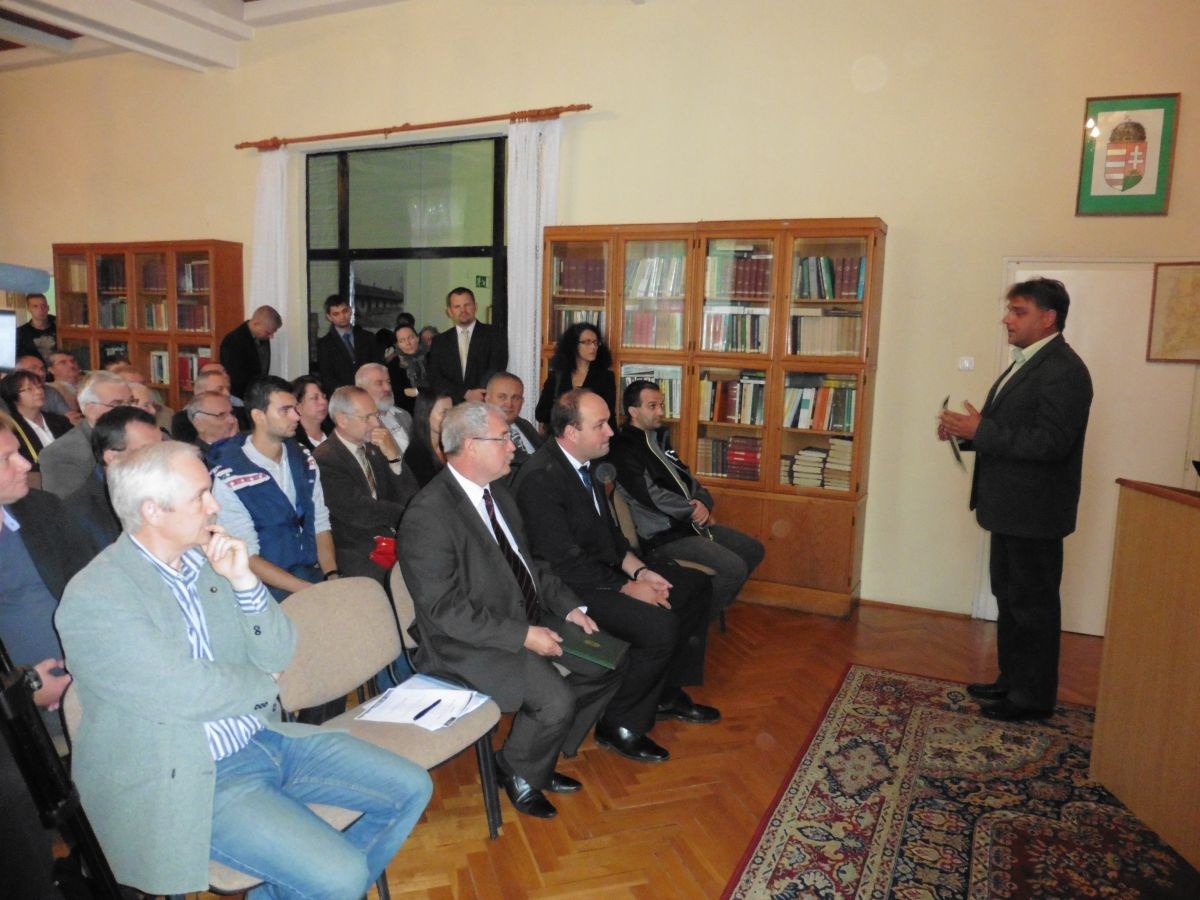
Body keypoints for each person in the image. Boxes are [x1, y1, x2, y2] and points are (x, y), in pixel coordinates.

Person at [55, 441, 432, 896]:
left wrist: (245, 582)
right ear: (153, 511)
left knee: (412, 787)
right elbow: (180, 691)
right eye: (200, 496)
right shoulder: (97, 596)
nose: (215, 506)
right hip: (192, 775)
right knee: (343, 876)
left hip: (263, 737)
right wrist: (261, 685)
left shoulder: (207, 562)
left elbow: (278, 653)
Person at [400, 402, 624, 819]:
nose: (513, 447)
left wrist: (569, 607)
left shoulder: (499, 493)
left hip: (521, 614)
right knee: (554, 700)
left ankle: (535, 754)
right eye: (503, 439)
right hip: (463, 644)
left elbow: (530, 563)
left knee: (607, 663)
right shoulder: (428, 515)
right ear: (471, 445)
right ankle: (519, 769)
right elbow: (444, 610)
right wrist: (522, 636)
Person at [515, 389, 720, 764]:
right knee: (658, 625)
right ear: (571, 432)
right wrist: (628, 587)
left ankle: (665, 692)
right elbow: (562, 563)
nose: (611, 431)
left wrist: (642, 571)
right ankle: (620, 723)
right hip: (567, 590)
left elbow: (610, 536)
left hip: (600, 573)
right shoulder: (540, 479)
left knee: (694, 586)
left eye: (608, 422)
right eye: (600, 425)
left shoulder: (587, 464)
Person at [938, 277, 1093, 722]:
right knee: (1010, 599)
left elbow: (1051, 443)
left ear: (1048, 318)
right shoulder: (1027, 362)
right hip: (1009, 509)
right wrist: (967, 434)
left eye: (1018, 311)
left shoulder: (1064, 370)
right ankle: (1012, 681)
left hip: (1035, 513)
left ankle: (1032, 698)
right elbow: (1013, 431)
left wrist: (981, 430)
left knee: (1033, 607)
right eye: (1009, 310)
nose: (1007, 319)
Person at [0, 414, 85, 899]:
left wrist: (92, 655)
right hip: (19, 708)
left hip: (87, 673)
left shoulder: (42, 509)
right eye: (7, 458)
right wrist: (26, 688)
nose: (24, 465)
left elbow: (95, 585)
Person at [610, 379, 764, 616]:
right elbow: (651, 496)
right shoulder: (623, 448)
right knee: (734, 568)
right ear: (633, 411)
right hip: (663, 536)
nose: (660, 411)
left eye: (661, 405)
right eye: (652, 406)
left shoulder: (658, 439)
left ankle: (703, 611)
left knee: (753, 549)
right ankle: (696, 623)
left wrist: (703, 503)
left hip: (690, 526)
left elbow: (687, 478)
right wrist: (692, 510)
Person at [208, 376, 338, 602]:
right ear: (259, 416)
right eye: (285, 410)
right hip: (262, 586)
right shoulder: (231, 476)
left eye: (295, 409)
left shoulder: (303, 459)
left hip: (309, 574)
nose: (296, 416)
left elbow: (319, 522)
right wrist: (309, 591)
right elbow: (246, 555)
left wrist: (332, 576)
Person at [314, 386, 419, 582]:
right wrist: (405, 517)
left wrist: (394, 458)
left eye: (376, 415)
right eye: (367, 417)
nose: (376, 423)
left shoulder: (376, 447)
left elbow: (412, 497)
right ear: (342, 420)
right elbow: (358, 510)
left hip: (394, 539)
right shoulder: (325, 458)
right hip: (357, 547)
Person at [67, 405, 163, 560]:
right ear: (112, 458)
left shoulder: (167, 489)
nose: (162, 459)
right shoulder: (80, 514)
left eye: (162, 449)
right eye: (148, 451)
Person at [39, 371, 133, 498]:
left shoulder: (144, 437)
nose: (129, 410)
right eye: (116, 404)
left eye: (131, 402)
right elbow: (71, 506)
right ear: (89, 409)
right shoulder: (61, 454)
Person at [427, 287, 508, 403]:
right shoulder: (439, 342)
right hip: (452, 405)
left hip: (484, 403)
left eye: (467, 305)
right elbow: (435, 377)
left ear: (475, 306)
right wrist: (465, 393)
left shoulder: (495, 335)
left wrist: (478, 395)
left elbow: (496, 368)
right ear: (449, 311)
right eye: (457, 307)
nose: (463, 310)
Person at [535, 322, 616, 429]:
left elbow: (608, 415)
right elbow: (541, 413)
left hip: (591, 435)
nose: (593, 347)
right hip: (561, 435)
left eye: (596, 342)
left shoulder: (606, 377)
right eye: (587, 342)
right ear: (573, 345)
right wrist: (569, 417)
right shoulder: (557, 375)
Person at [0, 371, 71, 472]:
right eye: (30, 389)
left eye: (40, 387)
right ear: (13, 395)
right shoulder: (11, 428)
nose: (39, 391)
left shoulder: (60, 421)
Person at [316, 294, 382, 396]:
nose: (342, 316)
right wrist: (349, 393)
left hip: (370, 393)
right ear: (329, 317)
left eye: (345, 311)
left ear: (350, 311)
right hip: (342, 397)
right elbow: (327, 377)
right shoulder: (325, 344)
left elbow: (378, 366)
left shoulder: (368, 337)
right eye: (336, 314)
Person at [484, 371, 541, 484]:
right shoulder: (481, 433)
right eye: (502, 397)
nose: (509, 404)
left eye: (515, 398)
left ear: (522, 401)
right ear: (487, 398)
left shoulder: (525, 425)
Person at [355, 362, 413, 470]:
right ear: (362, 391)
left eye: (388, 382)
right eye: (379, 383)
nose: (387, 387)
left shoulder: (403, 415)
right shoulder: (362, 428)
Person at [219, 305, 282, 399]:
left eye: (273, 332)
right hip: (240, 397)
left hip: (257, 395)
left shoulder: (263, 337)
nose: (271, 337)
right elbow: (235, 377)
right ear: (256, 324)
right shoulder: (233, 340)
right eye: (268, 332)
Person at [403, 388, 453, 487]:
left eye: (452, 411)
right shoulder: (415, 455)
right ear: (425, 414)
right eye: (444, 412)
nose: (450, 417)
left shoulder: (451, 443)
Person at [385, 323, 429, 414]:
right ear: (397, 344)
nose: (408, 343)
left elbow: (440, 384)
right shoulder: (395, 364)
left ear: (418, 338)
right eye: (402, 340)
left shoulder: (432, 356)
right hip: (409, 412)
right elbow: (399, 393)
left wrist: (417, 391)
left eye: (410, 338)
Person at [180, 390, 239, 458]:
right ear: (199, 424)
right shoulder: (194, 458)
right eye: (221, 415)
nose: (232, 420)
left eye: (232, 413)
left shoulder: (245, 441)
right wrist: (232, 444)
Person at [14, 354, 72, 419]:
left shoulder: (50, 391)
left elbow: (71, 417)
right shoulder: (8, 395)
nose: (41, 373)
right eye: (33, 368)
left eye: (42, 369)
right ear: (17, 371)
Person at [290, 374, 333, 453]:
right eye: (315, 398)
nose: (323, 402)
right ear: (298, 407)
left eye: (324, 396)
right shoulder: (292, 442)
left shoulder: (335, 433)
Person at [45, 351, 84, 424]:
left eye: (73, 361)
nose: (71, 365)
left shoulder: (92, 381)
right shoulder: (50, 391)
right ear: (51, 370)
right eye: (63, 363)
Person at [15, 293, 56, 362]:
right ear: (29, 309)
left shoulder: (57, 327)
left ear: (48, 307)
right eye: (35, 306)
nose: (41, 309)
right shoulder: (21, 333)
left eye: (43, 306)